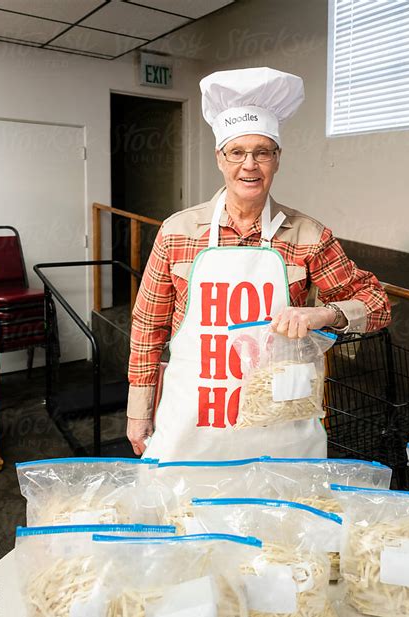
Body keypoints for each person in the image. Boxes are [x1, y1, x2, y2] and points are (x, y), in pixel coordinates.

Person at [127, 67, 391, 460]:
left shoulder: (308, 235)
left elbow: (377, 304)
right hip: (193, 423)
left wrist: (324, 314)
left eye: (262, 152)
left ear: (277, 160)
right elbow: (148, 327)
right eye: (237, 152)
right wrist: (138, 411)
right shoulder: (177, 232)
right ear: (220, 159)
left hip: (280, 425)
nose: (249, 164)